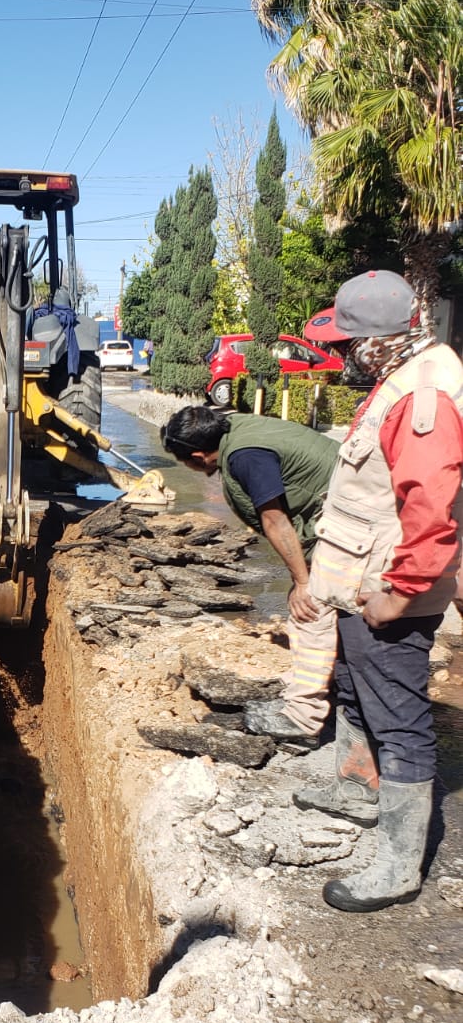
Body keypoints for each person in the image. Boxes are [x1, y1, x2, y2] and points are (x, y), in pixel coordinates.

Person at [294, 269, 463, 911]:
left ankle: (397, 866)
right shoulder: (399, 377)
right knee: (356, 690)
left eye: (346, 344)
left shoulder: (423, 398)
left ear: (376, 339)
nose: (341, 356)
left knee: (399, 720)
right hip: (360, 586)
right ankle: (356, 786)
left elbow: (431, 510)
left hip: (386, 591)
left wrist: (400, 593)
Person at [162, 405, 339, 742]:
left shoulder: (245, 457)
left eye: (186, 463)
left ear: (198, 456)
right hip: (352, 506)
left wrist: (302, 582)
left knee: (310, 610)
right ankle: (329, 692)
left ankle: (304, 719)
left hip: (350, 518)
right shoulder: (235, 428)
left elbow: (275, 519)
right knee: (327, 608)